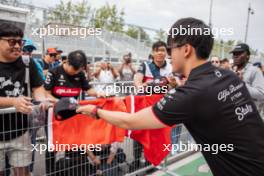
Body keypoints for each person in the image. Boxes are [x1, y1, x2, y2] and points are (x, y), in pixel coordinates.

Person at [76, 17, 264, 176]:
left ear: (186, 50)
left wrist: (96, 110)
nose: (167, 56)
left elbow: (130, 122)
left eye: (170, 49)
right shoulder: (228, 76)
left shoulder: (191, 94)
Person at [44, 50, 104, 175]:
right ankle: (50, 173)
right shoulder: (54, 72)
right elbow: (46, 94)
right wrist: (61, 103)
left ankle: (72, 171)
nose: (76, 71)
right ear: (67, 62)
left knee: (75, 144)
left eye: (79, 69)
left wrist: (98, 93)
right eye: (74, 68)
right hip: (55, 115)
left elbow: (88, 89)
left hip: (73, 114)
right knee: (53, 146)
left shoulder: (80, 74)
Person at [0, 22, 47, 176]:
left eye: (20, 42)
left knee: (23, 172)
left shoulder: (27, 62)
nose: (18, 46)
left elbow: (38, 88)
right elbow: (15, 101)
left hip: (20, 131)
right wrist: (13, 102)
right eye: (12, 41)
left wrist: (41, 101)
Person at [230, 43, 264, 110]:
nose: (236, 56)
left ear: (248, 55)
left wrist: (241, 84)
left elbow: (261, 94)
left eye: (239, 53)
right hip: (233, 113)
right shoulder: (231, 71)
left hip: (248, 115)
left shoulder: (254, 71)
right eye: (234, 53)